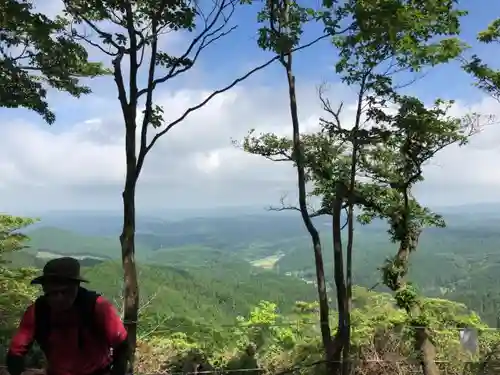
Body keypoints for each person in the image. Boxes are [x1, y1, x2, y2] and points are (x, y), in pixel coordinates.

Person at [6, 257, 129, 375]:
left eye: (65, 292)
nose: (59, 298)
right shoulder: (38, 311)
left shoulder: (97, 307)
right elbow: (17, 350)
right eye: (53, 292)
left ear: (77, 287)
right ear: (45, 289)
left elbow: (122, 343)